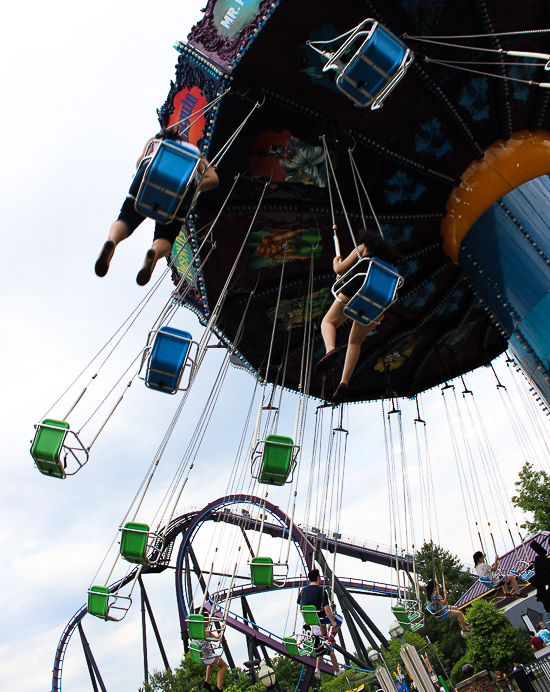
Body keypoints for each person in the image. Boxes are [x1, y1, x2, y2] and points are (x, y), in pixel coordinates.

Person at [95, 127, 219, 286]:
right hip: (181, 187)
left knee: (127, 217)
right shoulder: (195, 153)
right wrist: (194, 186)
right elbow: (213, 179)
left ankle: (112, 241)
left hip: (151, 175)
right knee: (166, 235)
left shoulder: (157, 141)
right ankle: (154, 252)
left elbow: (141, 161)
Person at [315, 229, 401, 403]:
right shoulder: (390, 264)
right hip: (381, 300)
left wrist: (335, 262)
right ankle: (344, 381)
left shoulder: (364, 247)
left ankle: (331, 349)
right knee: (355, 342)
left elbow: (340, 269)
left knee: (328, 322)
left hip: (360, 285)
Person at [297, 568, 343, 646]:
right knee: (339, 620)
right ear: (318, 578)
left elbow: (300, 604)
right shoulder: (321, 590)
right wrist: (332, 621)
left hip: (310, 619)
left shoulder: (303, 591)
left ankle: (325, 638)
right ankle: (331, 638)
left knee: (320, 622)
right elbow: (326, 608)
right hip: (321, 617)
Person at [193, 624, 228, 692]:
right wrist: (222, 630)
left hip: (200, 656)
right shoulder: (206, 631)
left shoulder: (194, 631)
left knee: (212, 663)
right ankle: (218, 687)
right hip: (206, 656)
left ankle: (207, 682)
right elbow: (217, 638)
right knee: (223, 665)